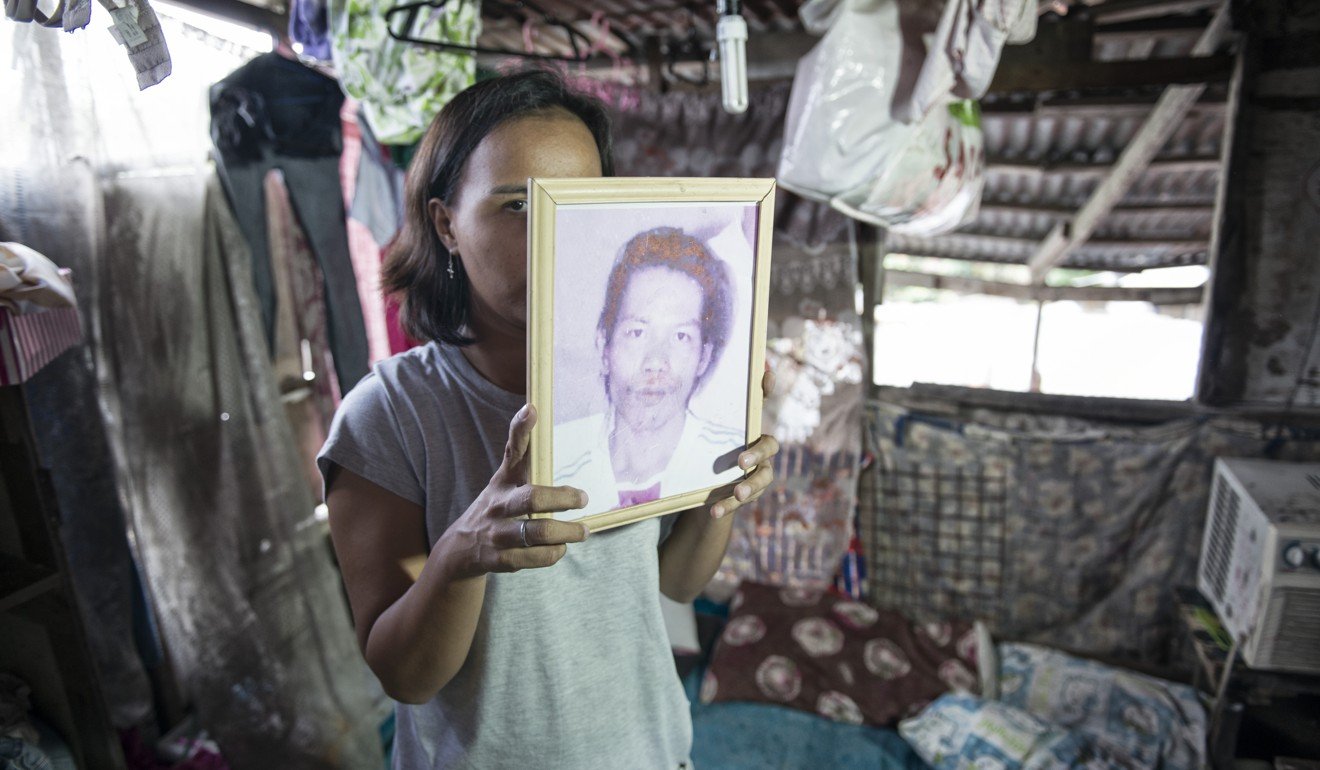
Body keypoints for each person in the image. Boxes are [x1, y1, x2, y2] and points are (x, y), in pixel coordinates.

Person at [317, 69, 780, 769]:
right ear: (446, 223)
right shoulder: (390, 416)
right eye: (517, 205)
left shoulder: (629, 376)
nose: (553, 233)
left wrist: (727, 486)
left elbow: (676, 583)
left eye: (577, 203)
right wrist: (461, 555)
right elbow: (404, 674)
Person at [556, 226, 747, 518]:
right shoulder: (553, 461)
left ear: (703, 358)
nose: (656, 361)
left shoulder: (734, 458)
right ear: (604, 346)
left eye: (681, 336)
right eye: (637, 333)